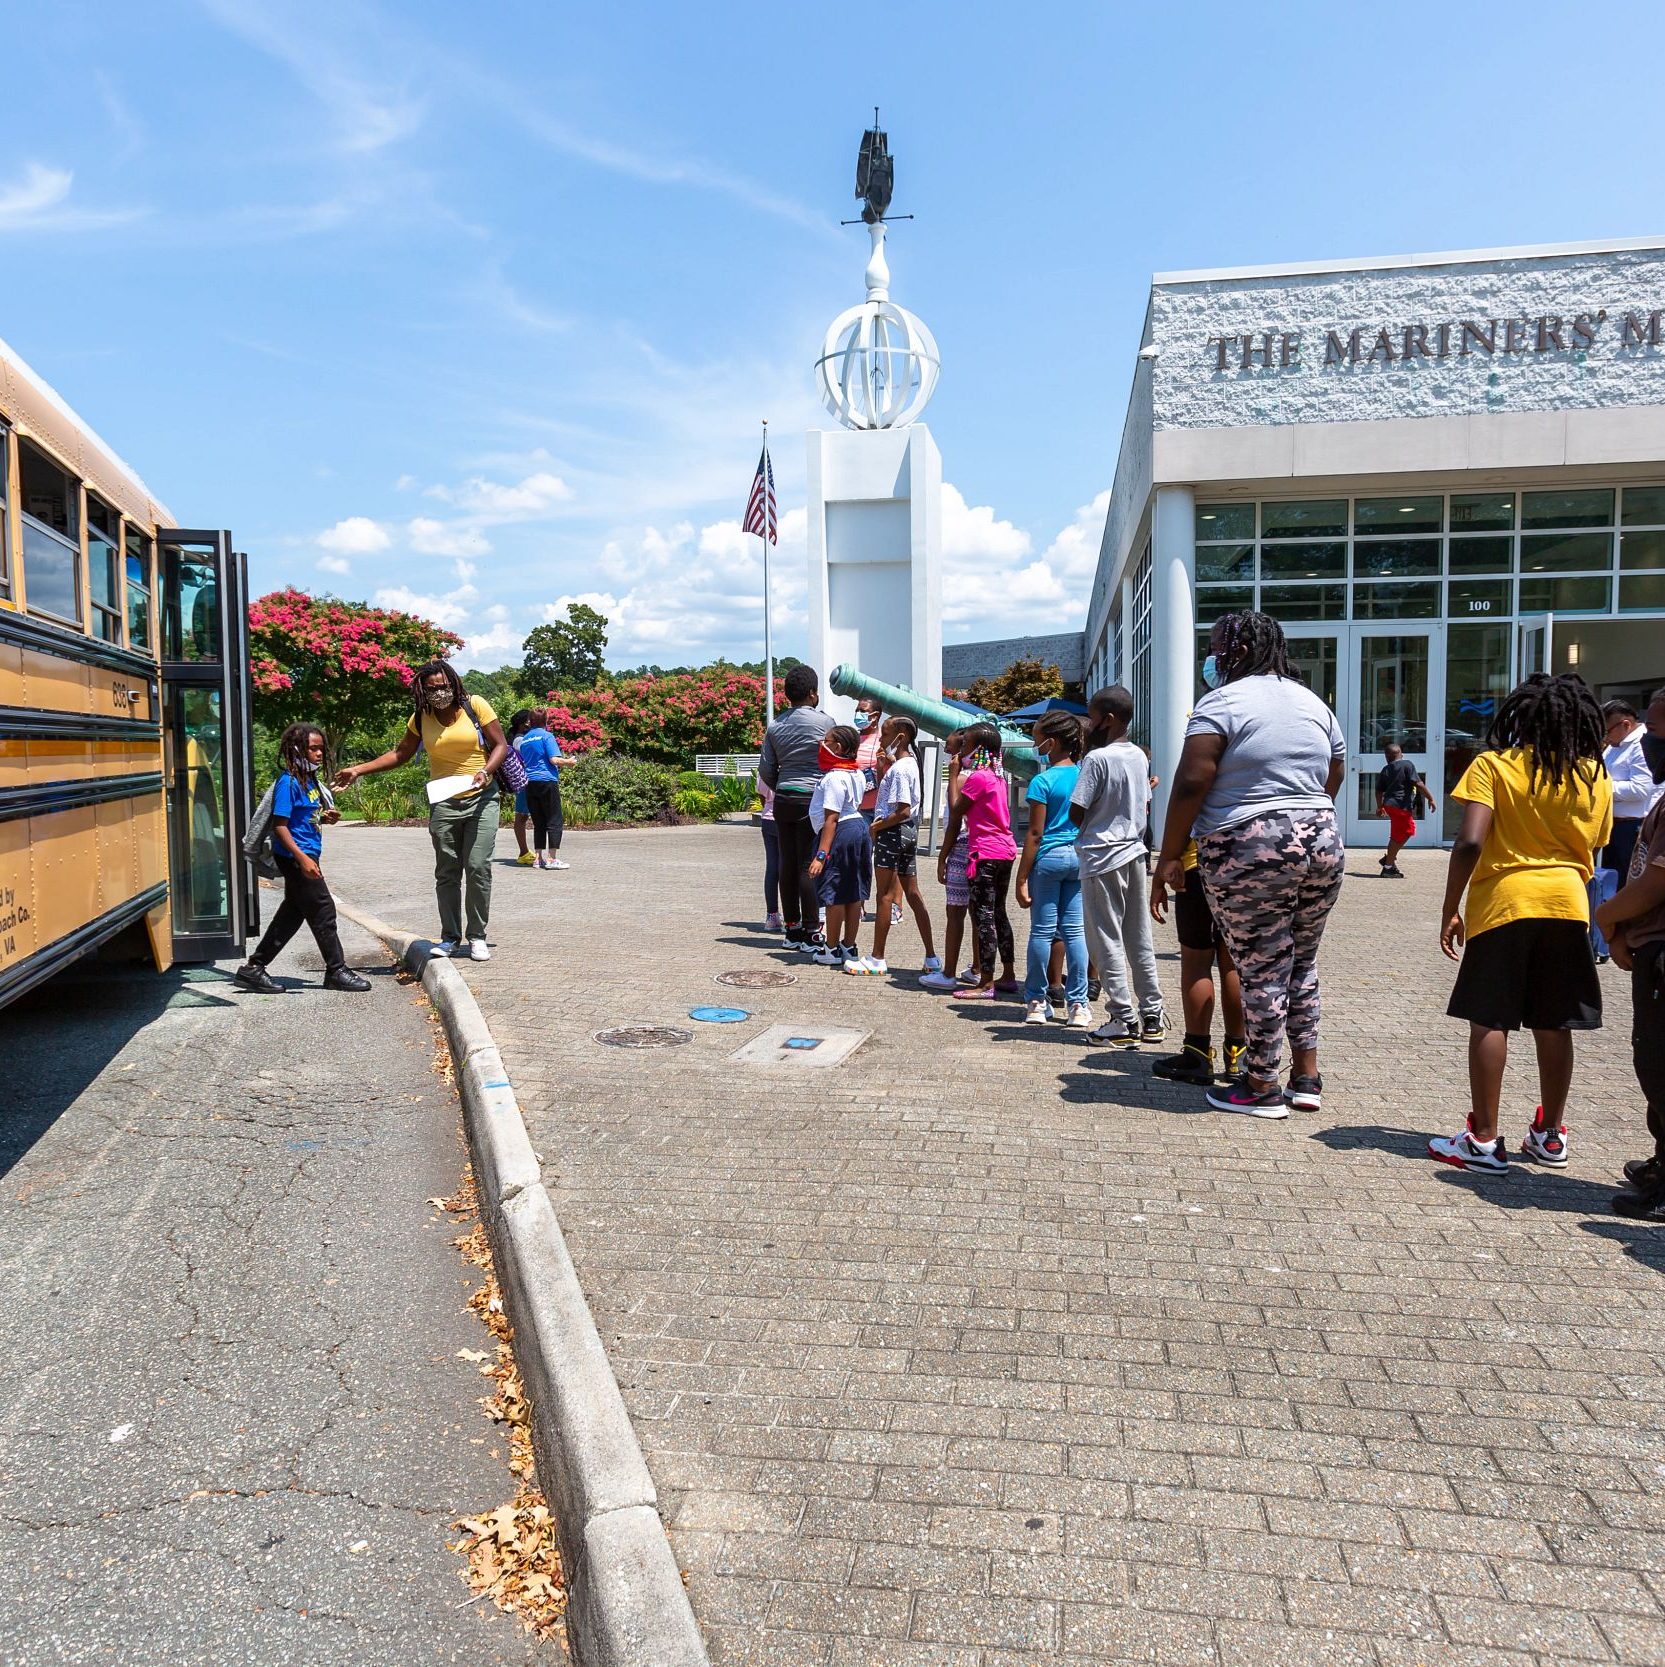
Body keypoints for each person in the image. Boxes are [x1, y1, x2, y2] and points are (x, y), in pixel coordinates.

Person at [1154, 611, 1346, 1119]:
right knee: (1300, 963)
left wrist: (1170, 854)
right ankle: (1306, 1077)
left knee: (1259, 966)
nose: (1212, 657)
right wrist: (1303, 814)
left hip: (1249, 845)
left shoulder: (1221, 702)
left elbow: (1192, 782)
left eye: (1218, 647)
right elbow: (1337, 768)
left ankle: (1261, 1084)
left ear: (1235, 650)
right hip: (1321, 839)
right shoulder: (1313, 704)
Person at [1429, 674, 1613, 1173]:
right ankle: (1550, 1136)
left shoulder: (1493, 765)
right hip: (1569, 905)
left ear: (1520, 717)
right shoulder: (1593, 775)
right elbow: (1596, 842)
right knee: (1555, 1021)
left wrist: (1451, 906)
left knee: (1491, 1018)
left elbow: (1469, 841)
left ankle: (1483, 1141)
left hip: (1505, 903)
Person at [335, 659, 508, 961]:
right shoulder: (421, 717)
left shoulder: (475, 705)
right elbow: (401, 754)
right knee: (447, 871)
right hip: (443, 801)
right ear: (422, 691)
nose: (440, 692)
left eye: (444, 686)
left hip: (482, 798)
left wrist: (486, 771)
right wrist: (358, 770)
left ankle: (477, 936)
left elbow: (500, 745)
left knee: (478, 866)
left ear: (454, 683)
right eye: (432, 689)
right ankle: (451, 938)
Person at [1594, 700, 1665, 1218]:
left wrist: (1607, 919)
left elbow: (1656, 881)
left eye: (1654, 729)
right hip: (1648, 945)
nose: (1647, 740)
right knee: (1652, 1060)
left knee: (1660, 1064)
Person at [235, 724, 370, 994]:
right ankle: (337, 970)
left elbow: (302, 817)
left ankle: (254, 968)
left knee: (292, 914)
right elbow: (280, 826)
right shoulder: (288, 782)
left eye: (321, 748)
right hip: (296, 855)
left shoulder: (309, 781)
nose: (320, 753)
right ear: (297, 749)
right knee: (324, 909)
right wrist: (302, 858)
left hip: (307, 852)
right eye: (313, 748)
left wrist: (323, 817)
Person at [1073, 686, 1166, 1047]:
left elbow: (1077, 808)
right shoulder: (1139, 758)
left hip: (1101, 854)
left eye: (1092, 716)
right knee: (1138, 936)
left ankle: (1122, 1018)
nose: (1089, 723)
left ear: (1107, 720)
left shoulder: (1098, 759)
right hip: (1134, 853)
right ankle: (1152, 1014)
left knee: (1104, 938)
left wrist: (1086, 819)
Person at [1150, 838, 1247, 1084]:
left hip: (1198, 866)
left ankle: (1197, 1054)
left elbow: (1181, 818)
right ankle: (1238, 1053)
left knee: (1196, 963)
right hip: (1246, 865)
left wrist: (1160, 874)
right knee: (1233, 963)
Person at [850, 715, 941, 976]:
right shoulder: (908, 763)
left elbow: (901, 810)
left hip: (893, 832)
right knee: (912, 893)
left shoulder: (901, 769)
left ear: (901, 736)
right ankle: (931, 955)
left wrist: (875, 827)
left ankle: (877, 957)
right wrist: (884, 767)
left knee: (885, 896)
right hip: (907, 832)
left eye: (887, 735)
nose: (882, 739)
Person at [1016, 712, 1090, 1027]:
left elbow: (1034, 834)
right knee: (1075, 932)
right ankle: (1078, 1005)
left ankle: (1036, 1000)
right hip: (1079, 857)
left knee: (1042, 932)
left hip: (1049, 859)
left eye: (1037, 738)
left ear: (1053, 742)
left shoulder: (1042, 781)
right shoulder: (1086, 775)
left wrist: (1021, 878)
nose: (1035, 744)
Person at [939, 722, 1019, 999]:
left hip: (984, 854)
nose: (963, 751)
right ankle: (1007, 975)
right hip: (1005, 851)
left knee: (983, 916)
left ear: (979, 749)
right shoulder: (998, 777)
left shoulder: (979, 778)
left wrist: (953, 776)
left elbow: (954, 811)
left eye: (967, 745)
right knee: (999, 914)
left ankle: (985, 982)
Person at [759, 665, 835, 950]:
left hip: (783, 800)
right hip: (812, 799)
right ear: (813, 693)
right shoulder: (826, 724)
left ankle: (791, 930)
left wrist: (783, 785)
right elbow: (836, 763)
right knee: (807, 865)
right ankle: (811, 930)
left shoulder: (775, 726)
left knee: (786, 863)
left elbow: (765, 769)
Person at [807, 724, 871, 966]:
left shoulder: (835, 777)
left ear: (838, 747)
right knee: (853, 892)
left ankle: (831, 948)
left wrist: (821, 855)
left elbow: (831, 819)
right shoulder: (855, 772)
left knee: (834, 894)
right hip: (858, 829)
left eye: (827, 740)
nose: (822, 745)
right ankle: (849, 946)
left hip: (841, 832)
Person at [921, 729, 975, 992]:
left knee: (955, 912)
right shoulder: (989, 776)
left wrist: (943, 855)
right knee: (978, 914)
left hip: (961, 847)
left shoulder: (964, 779)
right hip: (979, 849)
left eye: (951, 747)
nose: (947, 750)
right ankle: (977, 968)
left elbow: (955, 815)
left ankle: (949, 972)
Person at [1602, 700, 1664, 883]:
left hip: (1632, 829)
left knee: (1628, 883)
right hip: (1614, 826)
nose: (1605, 738)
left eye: (1607, 731)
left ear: (1626, 725)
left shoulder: (1641, 745)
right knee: (1611, 882)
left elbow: (1640, 789)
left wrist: (1601, 787)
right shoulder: (1615, 746)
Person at [513, 709, 566, 869]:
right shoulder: (547, 736)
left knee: (538, 821)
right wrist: (569, 761)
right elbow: (553, 759)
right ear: (546, 720)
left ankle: (538, 858)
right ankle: (552, 858)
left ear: (530, 721)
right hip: (546, 781)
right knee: (554, 819)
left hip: (530, 782)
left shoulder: (525, 738)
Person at [1376, 742, 1436, 878]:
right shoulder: (1407, 764)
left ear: (1387, 757)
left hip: (1390, 805)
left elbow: (1379, 791)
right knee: (1405, 832)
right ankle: (1388, 866)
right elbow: (1418, 783)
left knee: (1400, 833)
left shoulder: (1385, 769)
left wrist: (1380, 806)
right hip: (1400, 805)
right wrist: (1430, 798)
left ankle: (1389, 859)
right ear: (1401, 754)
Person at [507, 710, 536, 867]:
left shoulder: (521, 738)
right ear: (522, 723)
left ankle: (526, 852)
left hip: (527, 781)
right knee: (521, 817)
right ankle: (523, 851)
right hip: (525, 781)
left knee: (523, 816)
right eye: (529, 720)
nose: (531, 723)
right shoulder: (519, 740)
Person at [758, 779, 782, 932]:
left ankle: (771, 915)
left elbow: (762, 795)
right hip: (790, 818)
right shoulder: (791, 763)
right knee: (791, 867)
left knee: (772, 867)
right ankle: (795, 918)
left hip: (768, 818)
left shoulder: (765, 767)